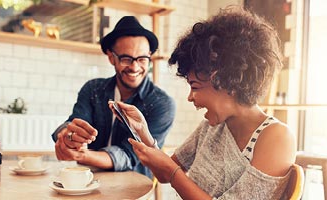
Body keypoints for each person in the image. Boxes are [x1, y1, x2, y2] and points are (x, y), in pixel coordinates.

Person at [117, 6, 296, 199]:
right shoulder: (211, 127)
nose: (190, 97)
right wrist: (143, 131)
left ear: (227, 80)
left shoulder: (276, 137)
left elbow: (170, 172)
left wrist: (172, 172)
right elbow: (163, 174)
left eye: (194, 86)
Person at [51, 16, 176, 178]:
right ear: (111, 57)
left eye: (142, 59)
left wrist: (82, 155)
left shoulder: (162, 103)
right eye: (126, 58)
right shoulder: (93, 89)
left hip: (134, 186)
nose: (134, 67)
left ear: (150, 57)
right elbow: (74, 123)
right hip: (87, 181)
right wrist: (67, 137)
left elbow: (129, 155)